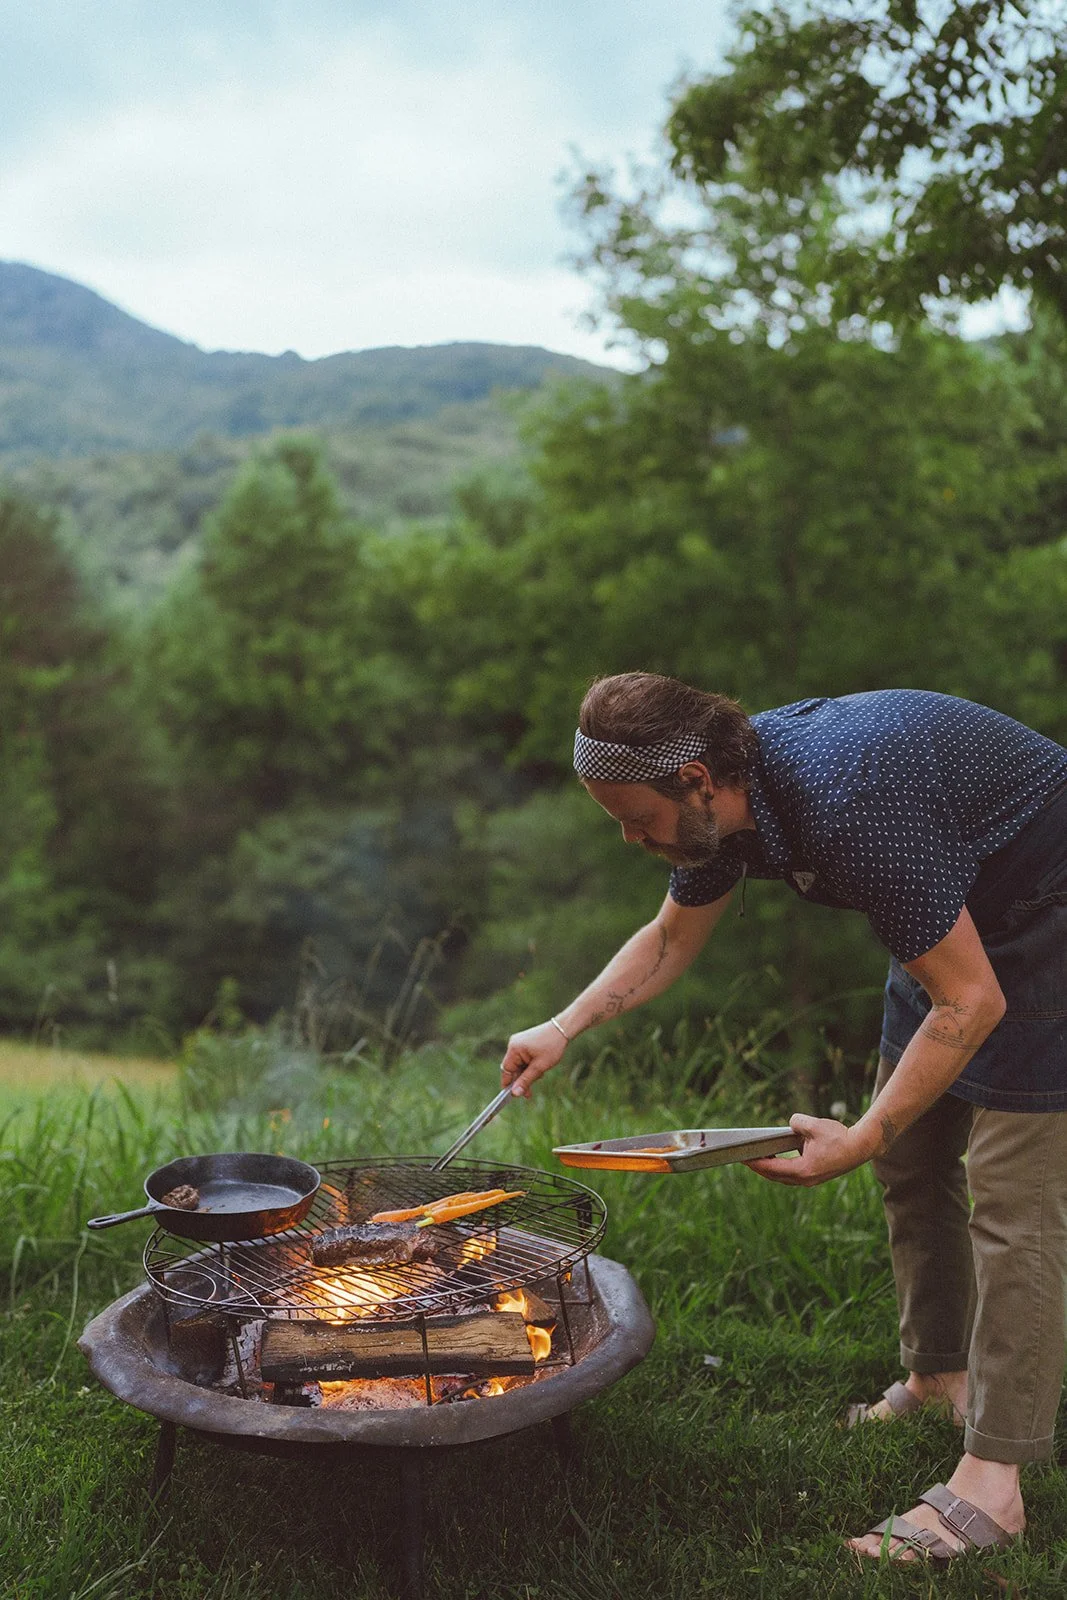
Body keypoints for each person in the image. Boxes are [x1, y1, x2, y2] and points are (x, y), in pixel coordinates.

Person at [499, 671, 1067, 1565]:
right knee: (912, 1165)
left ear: (692, 779)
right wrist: (563, 1026)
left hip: (1046, 910)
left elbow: (970, 1004)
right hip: (948, 919)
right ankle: (940, 1374)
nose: (627, 836)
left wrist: (861, 1130)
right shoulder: (722, 806)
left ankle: (993, 1486)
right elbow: (670, 939)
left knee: (1012, 1204)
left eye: (632, 815)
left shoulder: (847, 807)